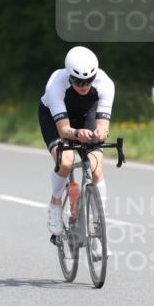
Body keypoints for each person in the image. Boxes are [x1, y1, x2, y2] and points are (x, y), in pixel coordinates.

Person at [39, 46, 115, 235]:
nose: (84, 86)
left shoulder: (105, 83)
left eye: (88, 81)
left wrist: (101, 133)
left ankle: (100, 226)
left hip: (83, 116)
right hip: (54, 117)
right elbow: (64, 130)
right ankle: (55, 204)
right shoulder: (56, 84)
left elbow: (103, 124)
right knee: (66, 161)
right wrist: (77, 133)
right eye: (78, 81)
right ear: (69, 75)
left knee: (97, 167)